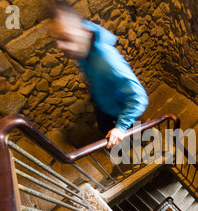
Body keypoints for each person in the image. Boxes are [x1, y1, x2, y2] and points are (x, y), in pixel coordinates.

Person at [48, 1, 149, 148]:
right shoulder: (83, 41)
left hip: (118, 109)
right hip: (104, 103)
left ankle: (137, 141)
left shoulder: (107, 62)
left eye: (65, 38)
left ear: (82, 31)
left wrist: (120, 128)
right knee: (104, 128)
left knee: (123, 131)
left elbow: (139, 98)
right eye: (58, 37)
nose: (60, 45)